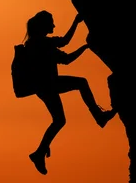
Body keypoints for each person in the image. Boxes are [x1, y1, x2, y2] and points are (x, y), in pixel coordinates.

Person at [23, 11, 116, 175]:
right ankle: (99, 116)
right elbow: (65, 42)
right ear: (43, 25)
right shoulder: (42, 43)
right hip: (48, 85)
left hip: (44, 87)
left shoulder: (37, 44)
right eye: (51, 23)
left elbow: (66, 59)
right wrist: (76, 22)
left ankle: (39, 152)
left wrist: (84, 48)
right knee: (81, 83)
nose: (53, 26)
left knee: (59, 120)